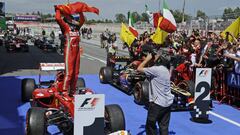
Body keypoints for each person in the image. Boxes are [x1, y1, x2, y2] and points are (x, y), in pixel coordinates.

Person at [55, 2, 99, 96]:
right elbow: (58, 18)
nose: (71, 17)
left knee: (76, 73)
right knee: (69, 72)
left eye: (71, 16)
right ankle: (64, 91)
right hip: (69, 50)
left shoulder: (76, 27)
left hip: (77, 50)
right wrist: (58, 9)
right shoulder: (65, 27)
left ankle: (72, 91)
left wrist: (80, 11)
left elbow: (83, 20)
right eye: (69, 16)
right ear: (66, 18)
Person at [137, 51, 174, 135]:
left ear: (160, 60)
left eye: (157, 56)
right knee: (163, 126)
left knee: (150, 126)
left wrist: (147, 59)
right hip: (167, 103)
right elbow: (151, 71)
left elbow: (139, 68)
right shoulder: (165, 70)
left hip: (157, 103)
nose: (155, 56)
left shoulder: (157, 70)